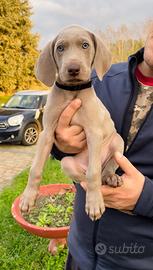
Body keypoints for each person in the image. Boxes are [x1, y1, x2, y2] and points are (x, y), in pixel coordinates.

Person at [51, 29, 153, 270]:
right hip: (81, 253)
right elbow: (63, 148)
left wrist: (144, 198)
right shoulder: (99, 79)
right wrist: (62, 145)